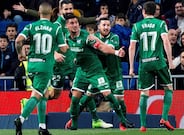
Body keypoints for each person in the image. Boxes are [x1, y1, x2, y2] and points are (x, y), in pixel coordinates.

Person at [63, 13, 127, 131]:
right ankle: (74, 125)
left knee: (108, 94)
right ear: (66, 25)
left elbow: (102, 47)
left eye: (76, 22)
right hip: (81, 71)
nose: (75, 25)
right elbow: (61, 49)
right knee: (75, 99)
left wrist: (116, 52)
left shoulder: (88, 37)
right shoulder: (66, 37)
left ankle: (123, 120)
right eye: (72, 23)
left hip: (95, 70)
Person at [14, 2, 68, 135]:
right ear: (51, 13)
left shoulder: (31, 26)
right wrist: (61, 45)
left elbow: (18, 41)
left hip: (32, 65)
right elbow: (63, 48)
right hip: (45, 66)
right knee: (37, 95)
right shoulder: (55, 28)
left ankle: (42, 127)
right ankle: (20, 119)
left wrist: (20, 54)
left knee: (43, 95)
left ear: (39, 13)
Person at [128, 1, 175, 132]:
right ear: (155, 12)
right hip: (159, 61)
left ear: (143, 11)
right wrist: (170, 61)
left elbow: (132, 47)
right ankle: (164, 118)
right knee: (168, 88)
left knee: (144, 93)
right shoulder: (160, 24)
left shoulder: (137, 26)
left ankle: (143, 125)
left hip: (145, 63)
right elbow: (166, 41)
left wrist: (131, 67)